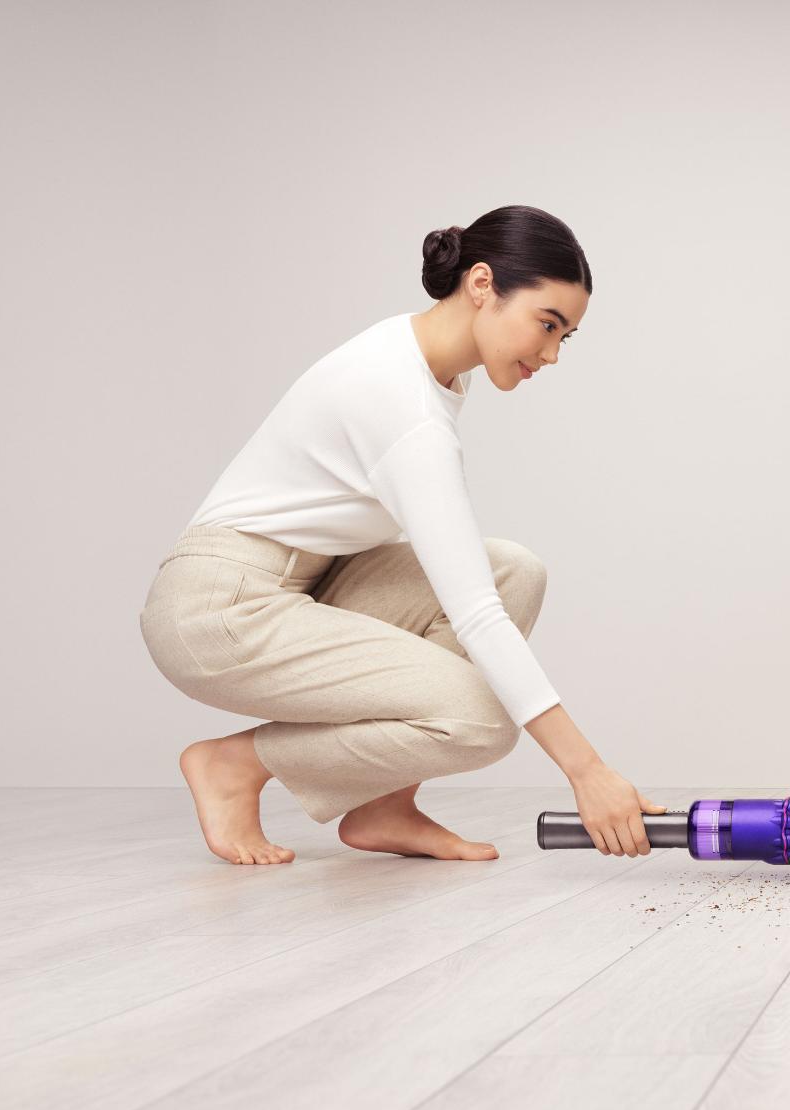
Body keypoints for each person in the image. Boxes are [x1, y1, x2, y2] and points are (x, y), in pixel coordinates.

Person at [141, 205, 664, 866]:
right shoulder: (403, 403)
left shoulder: (426, 363)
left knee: (515, 570)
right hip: (217, 607)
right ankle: (235, 764)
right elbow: (475, 615)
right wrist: (589, 772)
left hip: (308, 582)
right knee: (480, 718)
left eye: (567, 336)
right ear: (481, 285)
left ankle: (380, 803)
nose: (553, 353)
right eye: (548, 324)